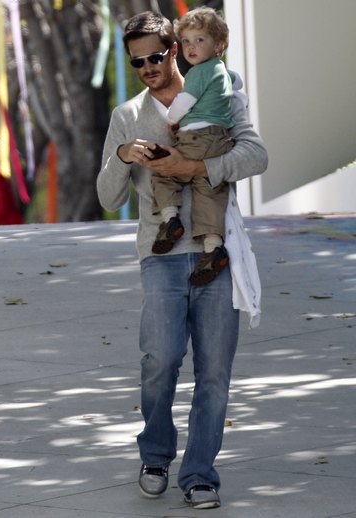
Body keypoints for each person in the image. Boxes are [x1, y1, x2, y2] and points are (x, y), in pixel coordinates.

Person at [96, 11, 267, 510]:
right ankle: (155, 454)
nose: (148, 67)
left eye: (155, 55)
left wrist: (194, 165)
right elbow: (107, 198)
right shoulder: (128, 114)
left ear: (177, 48)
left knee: (214, 372)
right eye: (137, 62)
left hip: (217, 255)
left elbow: (256, 156)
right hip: (161, 254)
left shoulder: (221, 89)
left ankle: (199, 474)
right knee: (161, 359)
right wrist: (124, 155)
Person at [151, 7, 236, 286]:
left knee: (163, 170)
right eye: (186, 41)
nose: (191, 47)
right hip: (219, 140)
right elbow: (238, 84)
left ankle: (170, 220)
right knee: (207, 191)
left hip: (196, 138)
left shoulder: (200, 72)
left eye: (200, 40)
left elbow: (183, 104)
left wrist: (171, 120)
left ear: (219, 44)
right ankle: (213, 249)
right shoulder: (223, 71)